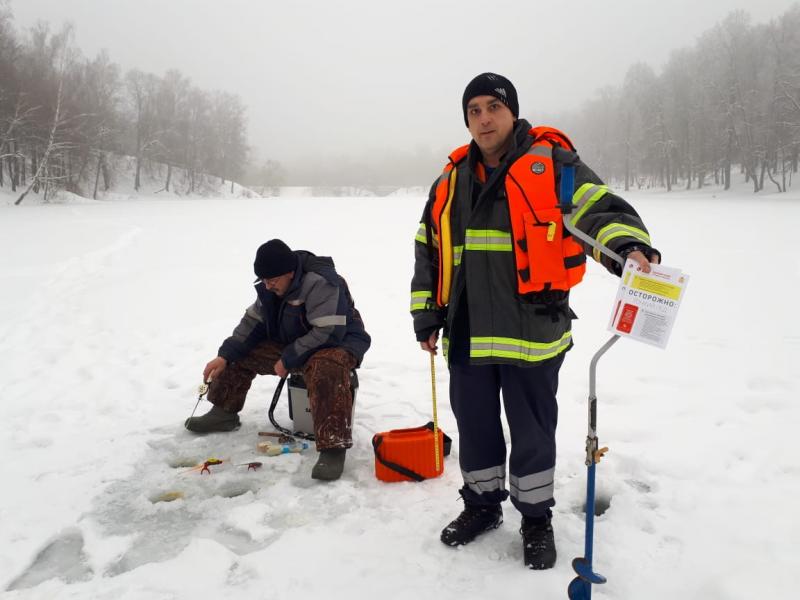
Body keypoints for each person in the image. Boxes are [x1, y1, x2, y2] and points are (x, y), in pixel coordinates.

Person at [410, 73, 660, 569]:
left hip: (533, 333)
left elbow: (598, 209)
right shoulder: (450, 180)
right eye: (474, 110)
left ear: (512, 112)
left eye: (492, 108)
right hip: (469, 335)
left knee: (532, 433)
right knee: (476, 429)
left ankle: (535, 518)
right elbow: (429, 251)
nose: (483, 118)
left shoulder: (554, 164)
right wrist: (426, 315)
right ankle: (481, 506)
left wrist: (628, 248)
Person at [187, 239, 371, 481]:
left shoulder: (321, 282)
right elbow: (252, 323)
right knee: (240, 352)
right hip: (294, 341)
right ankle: (223, 411)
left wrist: (288, 358)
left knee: (327, 368)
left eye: (272, 280)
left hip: (338, 341)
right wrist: (224, 355)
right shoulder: (271, 286)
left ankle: (333, 448)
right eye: (263, 280)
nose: (267, 285)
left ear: (290, 273)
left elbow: (328, 332)